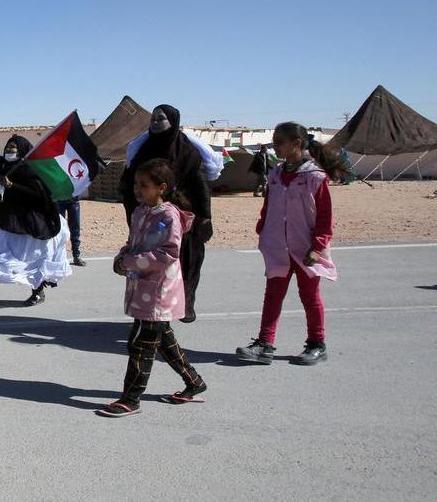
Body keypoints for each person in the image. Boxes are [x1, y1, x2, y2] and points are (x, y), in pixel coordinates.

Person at [99, 158, 206, 417]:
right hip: (141, 288)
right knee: (165, 342)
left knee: (140, 345)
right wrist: (122, 258)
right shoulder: (139, 212)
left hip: (159, 291)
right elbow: (133, 243)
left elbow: (169, 253)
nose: (138, 189)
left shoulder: (169, 216)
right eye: (136, 184)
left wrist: (131, 261)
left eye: (144, 185)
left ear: (162, 187)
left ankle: (131, 398)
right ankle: (194, 382)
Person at [236, 122, 349, 366]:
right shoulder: (275, 174)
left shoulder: (315, 178)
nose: (275, 146)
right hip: (277, 246)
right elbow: (268, 207)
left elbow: (324, 217)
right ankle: (265, 344)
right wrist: (263, 229)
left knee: (309, 296)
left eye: (279, 142)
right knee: (273, 295)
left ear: (296, 144)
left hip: (305, 249)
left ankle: (317, 344)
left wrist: (318, 247)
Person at [119, 105, 212, 323]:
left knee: (186, 262)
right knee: (150, 263)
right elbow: (128, 185)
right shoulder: (142, 151)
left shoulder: (187, 152)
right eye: (152, 118)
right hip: (149, 218)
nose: (154, 122)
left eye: (160, 118)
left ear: (173, 121)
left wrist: (205, 217)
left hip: (181, 220)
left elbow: (200, 186)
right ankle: (152, 311)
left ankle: (184, 304)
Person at [0, 126, 70, 306]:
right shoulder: (3, 165)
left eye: (13, 148)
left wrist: (13, 186)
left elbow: (39, 194)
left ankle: (38, 291)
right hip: (2, 220)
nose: (8, 150)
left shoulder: (30, 170)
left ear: (21, 150)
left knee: (29, 260)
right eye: (7, 147)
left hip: (23, 225)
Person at [57, 197, 86, 266]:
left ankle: (76, 256)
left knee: (75, 229)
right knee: (59, 230)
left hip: (73, 200)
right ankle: (58, 257)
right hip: (59, 199)